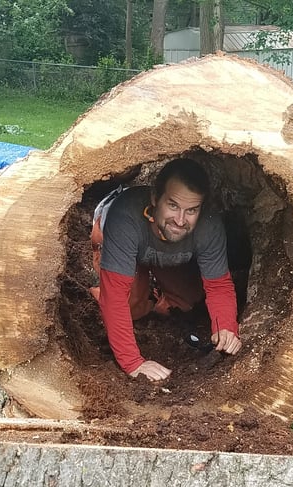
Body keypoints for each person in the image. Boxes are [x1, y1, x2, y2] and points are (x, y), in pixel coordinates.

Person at [90, 158, 242, 382]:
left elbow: (218, 285)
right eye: (173, 206)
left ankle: (153, 293)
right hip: (119, 238)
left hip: (164, 253)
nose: (180, 220)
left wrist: (226, 328)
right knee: (129, 309)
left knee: (190, 299)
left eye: (191, 210)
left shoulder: (209, 226)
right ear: (155, 198)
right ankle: (126, 291)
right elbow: (114, 297)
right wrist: (133, 363)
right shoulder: (124, 218)